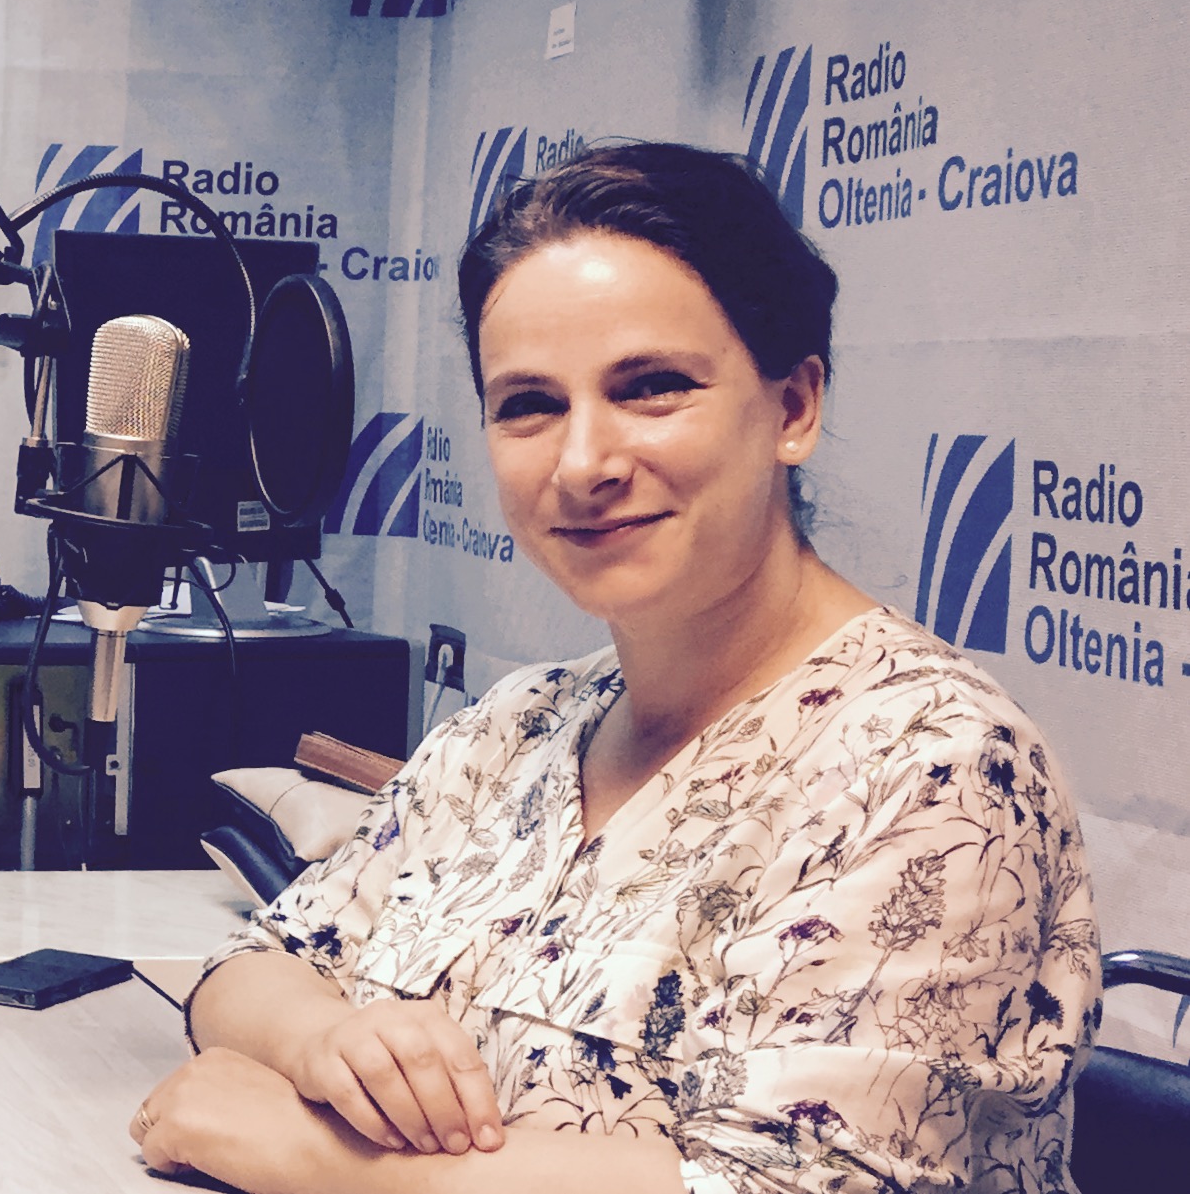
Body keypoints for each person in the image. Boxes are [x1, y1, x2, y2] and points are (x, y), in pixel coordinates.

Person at [133, 142, 1097, 1194]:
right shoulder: (514, 728)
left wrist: (313, 1156)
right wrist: (323, 1040)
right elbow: (253, 968)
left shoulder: (933, 766)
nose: (582, 461)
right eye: (528, 403)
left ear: (792, 407)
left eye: (651, 387)